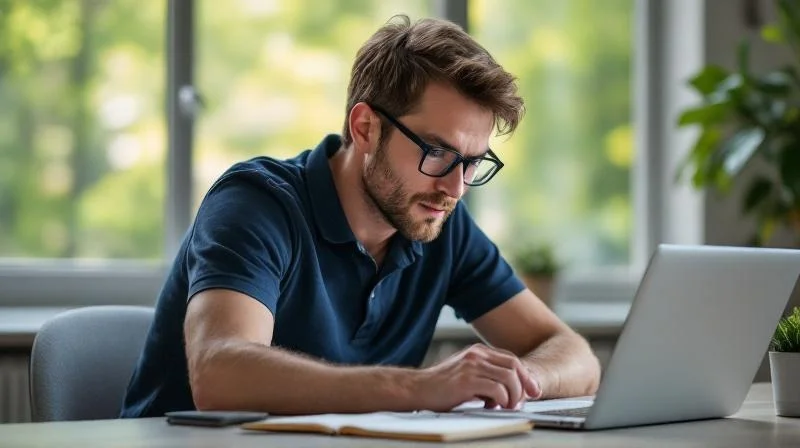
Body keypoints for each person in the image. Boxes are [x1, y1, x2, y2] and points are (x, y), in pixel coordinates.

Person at [120, 15, 600, 418]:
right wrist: (420, 389)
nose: (455, 187)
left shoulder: (440, 222)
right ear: (365, 127)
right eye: (437, 152)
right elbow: (220, 374)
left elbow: (574, 355)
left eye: (473, 162)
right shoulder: (256, 204)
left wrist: (524, 379)